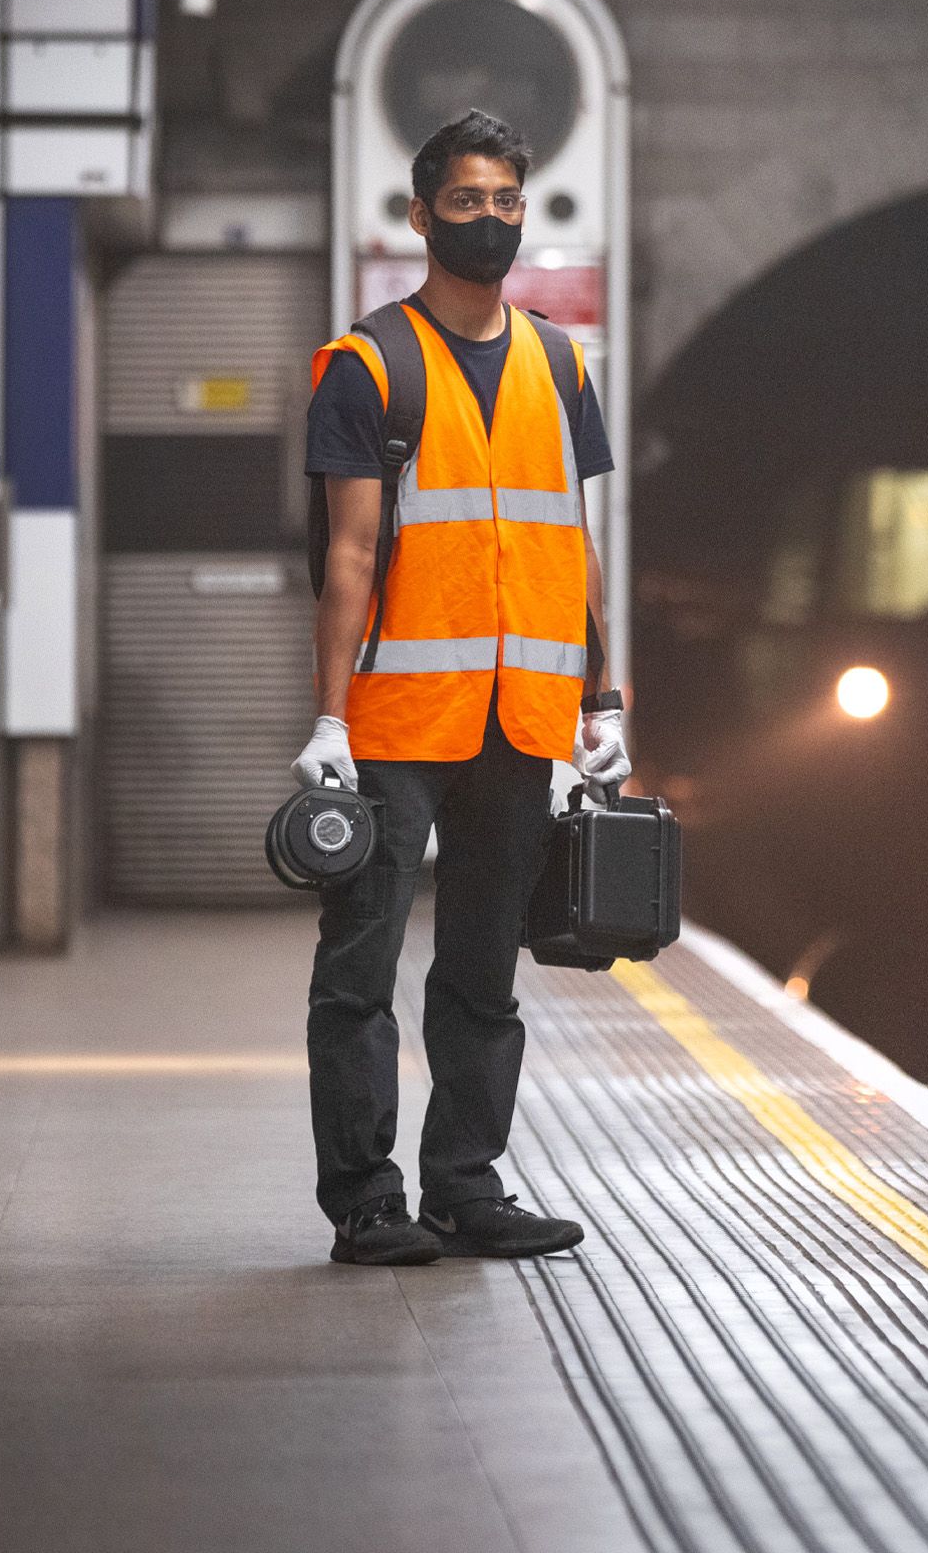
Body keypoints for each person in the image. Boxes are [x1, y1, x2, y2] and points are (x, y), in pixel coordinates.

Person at [294, 107, 629, 1266]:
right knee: (362, 968)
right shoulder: (368, 365)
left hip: (516, 718)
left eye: (505, 201)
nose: (488, 219)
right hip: (393, 718)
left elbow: (571, 544)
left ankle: (465, 1184)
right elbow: (348, 554)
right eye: (467, 200)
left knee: (485, 966)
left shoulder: (559, 362)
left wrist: (603, 697)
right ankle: (366, 1199)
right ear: (420, 212)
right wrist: (329, 717)